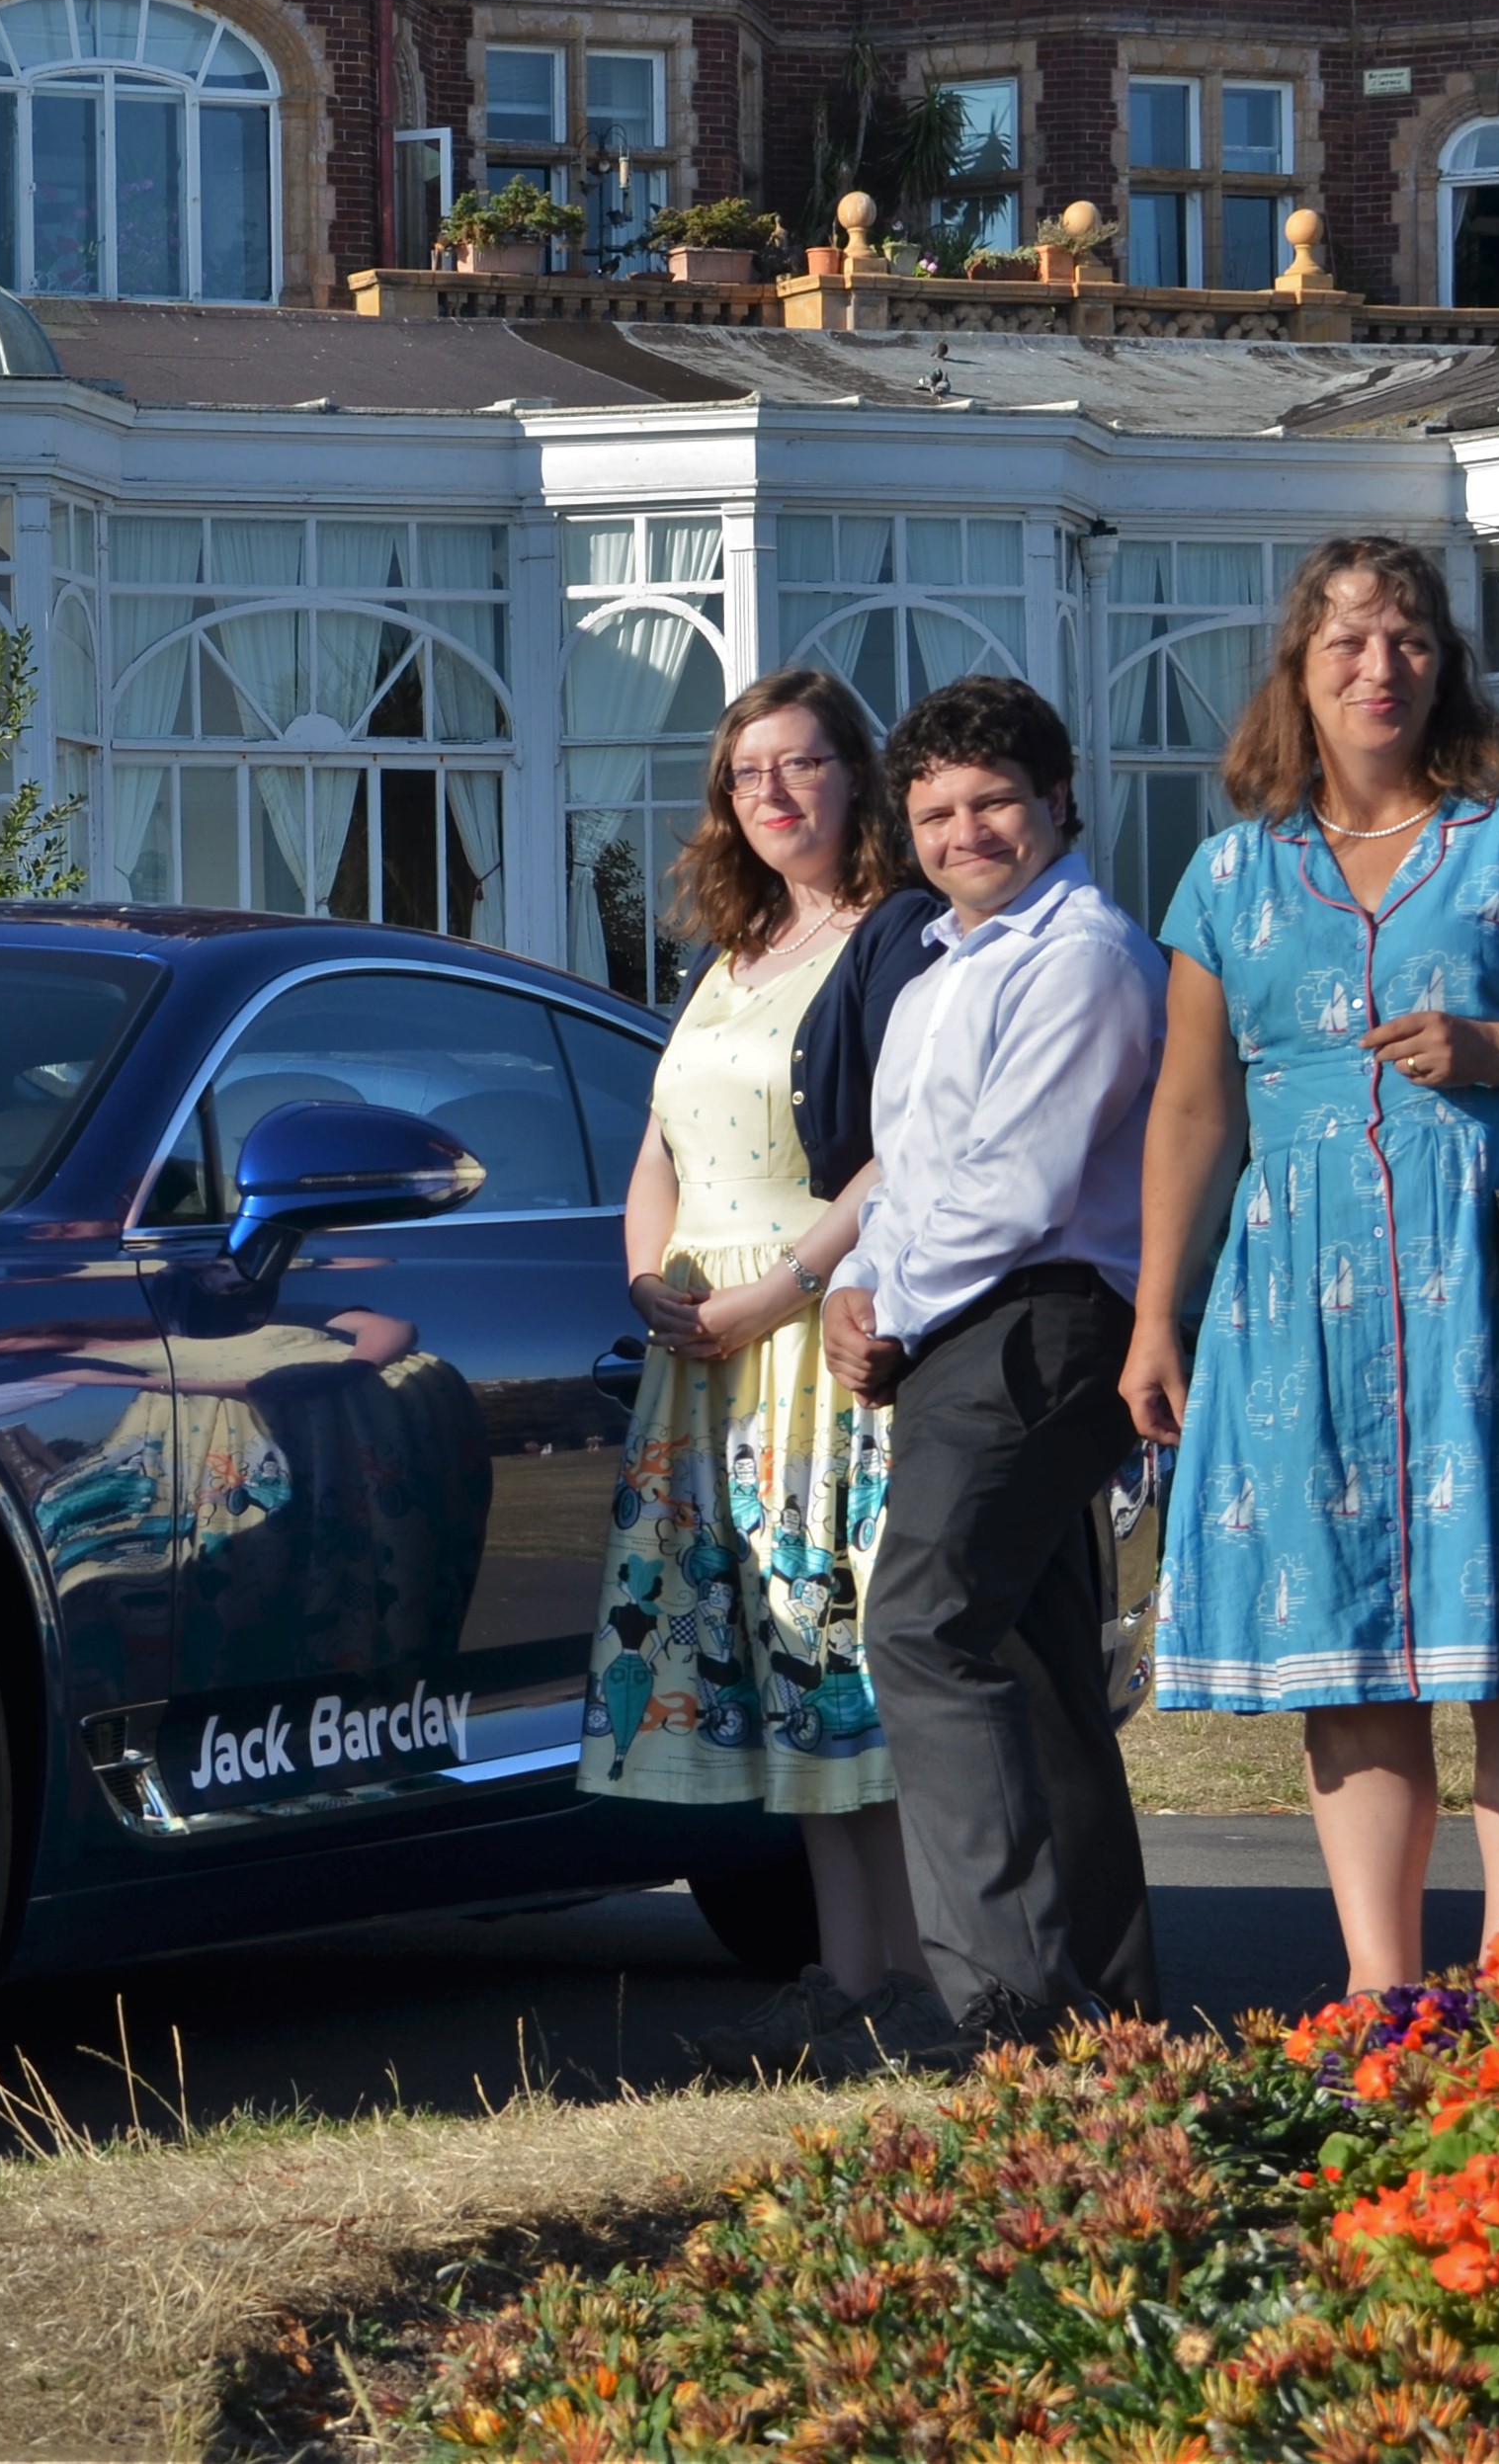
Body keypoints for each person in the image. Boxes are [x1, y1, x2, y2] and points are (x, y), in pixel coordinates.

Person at [1121, 535, 1499, 1995]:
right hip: (1296, 1300)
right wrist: (1154, 1315)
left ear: (1446, 668)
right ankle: (1381, 1996)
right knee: (1344, 1643)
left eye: (1409, 639)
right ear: (1296, 672)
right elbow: (1190, 1109)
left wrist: (1497, 1048)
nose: (1380, 667)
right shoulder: (1226, 874)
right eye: (1347, 642)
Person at [581, 669, 947, 2077]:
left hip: (809, 1334)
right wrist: (648, 1280)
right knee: (780, 1657)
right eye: (746, 774)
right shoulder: (733, 951)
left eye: (799, 764)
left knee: (844, 1658)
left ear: (854, 777)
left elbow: (899, 1148)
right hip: (709, 1352)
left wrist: (771, 1293)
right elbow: (658, 1147)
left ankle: (914, 1981)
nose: (772, 793)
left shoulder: (893, 933)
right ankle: (840, 1978)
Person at [820, 674, 1165, 2052]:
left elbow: (1016, 1187)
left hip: (1037, 1321)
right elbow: (908, 1175)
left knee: (921, 1629)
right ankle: (1109, 2015)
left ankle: (1009, 2012)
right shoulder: (938, 968)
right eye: (934, 814)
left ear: (1057, 801)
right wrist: (852, 1285)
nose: (964, 834)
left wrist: (889, 1307)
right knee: (1025, 1659)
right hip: (953, 1322)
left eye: (993, 803)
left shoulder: (1080, 956)